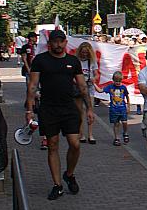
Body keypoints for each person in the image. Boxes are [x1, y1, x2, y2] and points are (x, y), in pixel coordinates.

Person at [26, 29, 95, 200]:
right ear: (50, 43)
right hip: (48, 108)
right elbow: (33, 85)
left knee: (75, 144)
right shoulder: (40, 60)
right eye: (55, 42)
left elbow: (82, 86)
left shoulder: (73, 61)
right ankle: (57, 185)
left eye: (61, 41)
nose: (58, 44)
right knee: (53, 144)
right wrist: (29, 110)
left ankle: (69, 174)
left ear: (65, 43)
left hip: (69, 107)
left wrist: (90, 109)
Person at [75, 41, 98, 143]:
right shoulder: (76, 61)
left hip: (89, 88)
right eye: (83, 52)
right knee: (80, 112)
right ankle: (81, 134)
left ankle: (90, 134)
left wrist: (94, 79)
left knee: (90, 110)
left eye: (86, 53)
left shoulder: (92, 62)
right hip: (78, 88)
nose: (84, 54)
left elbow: (96, 74)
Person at [102, 71, 130, 146]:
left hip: (122, 108)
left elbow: (127, 96)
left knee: (124, 122)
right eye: (116, 81)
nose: (117, 83)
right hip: (114, 109)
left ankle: (125, 133)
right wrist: (93, 84)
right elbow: (100, 90)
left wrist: (128, 106)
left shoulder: (123, 87)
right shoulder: (110, 87)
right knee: (116, 124)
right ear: (113, 80)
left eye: (119, 81)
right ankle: (116, 138)